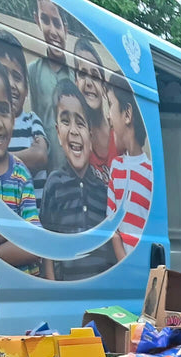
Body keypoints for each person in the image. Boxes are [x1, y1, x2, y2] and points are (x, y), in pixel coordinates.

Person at [40, 80, 115, 280]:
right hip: (68, 290)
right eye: (66, 121)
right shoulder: (54, 184)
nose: (74, 130)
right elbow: (47, 244)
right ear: (57, 132)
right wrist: (52, 288)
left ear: (90, 135)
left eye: (80, 123)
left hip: (100, 288)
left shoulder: (103, 189)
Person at [0, 48, 41, 276]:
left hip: (23, 290)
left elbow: (34, 243)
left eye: (3, 110)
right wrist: (14, 233)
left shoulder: (20, 173)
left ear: (14, 119)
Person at [0, 30, 49, 206]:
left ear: (27, 90)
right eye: (3, 73)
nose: (11, 84)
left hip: (32, 217)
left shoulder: (31, 120)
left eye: (17, 77)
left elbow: (40, 155)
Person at [106, 72, 152, 261]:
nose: (108, 116)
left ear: (127, 114)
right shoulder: (116, 167)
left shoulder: (151, 173)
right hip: (125, 266)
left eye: (110, 105)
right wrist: (125, 262)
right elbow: (112, 226)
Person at [28, 0, 72, 174]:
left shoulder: (78, 76)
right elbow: (35, 123)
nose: (53, 31)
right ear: (37, 21)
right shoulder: (32, 71)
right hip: (45, 178)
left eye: (57, 23)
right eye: (45, 20)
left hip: (74, 180)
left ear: (65, 28)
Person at [73, 38, 117, 184]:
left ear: (103, 86)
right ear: (76, 83)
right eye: (82, 74)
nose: (89, 83)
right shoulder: (74, 139)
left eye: (95, 76)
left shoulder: (120, 134)